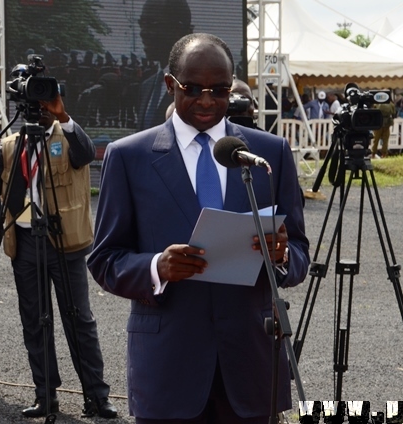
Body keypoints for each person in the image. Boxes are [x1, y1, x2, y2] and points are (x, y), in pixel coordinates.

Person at [88, 33, 309, 423]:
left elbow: (300, 256)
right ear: (170, 84)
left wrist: (282, 256)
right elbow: (105, 259)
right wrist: (156, 266)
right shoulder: (128, 157)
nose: (207, 101)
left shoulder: (269, 154)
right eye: (192, 88)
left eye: (219, 89)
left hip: (250, 368)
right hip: (169, 369)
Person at [0, 85, 117, 419]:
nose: (38, 108)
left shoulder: (67, 135)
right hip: (24, 242)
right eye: (32, 102)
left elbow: (85, 153)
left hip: (65, 242)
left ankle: (96, 396)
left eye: (43, 102)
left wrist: (62, 114)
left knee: (79, 319)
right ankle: (45, 395)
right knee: (34, 322)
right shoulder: (10, 145)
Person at [137, 0, 193, 130]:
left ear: (178, 30)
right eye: (142, 24)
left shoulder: (197, 88)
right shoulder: (146, 87)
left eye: (151, 24)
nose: (143, 33)